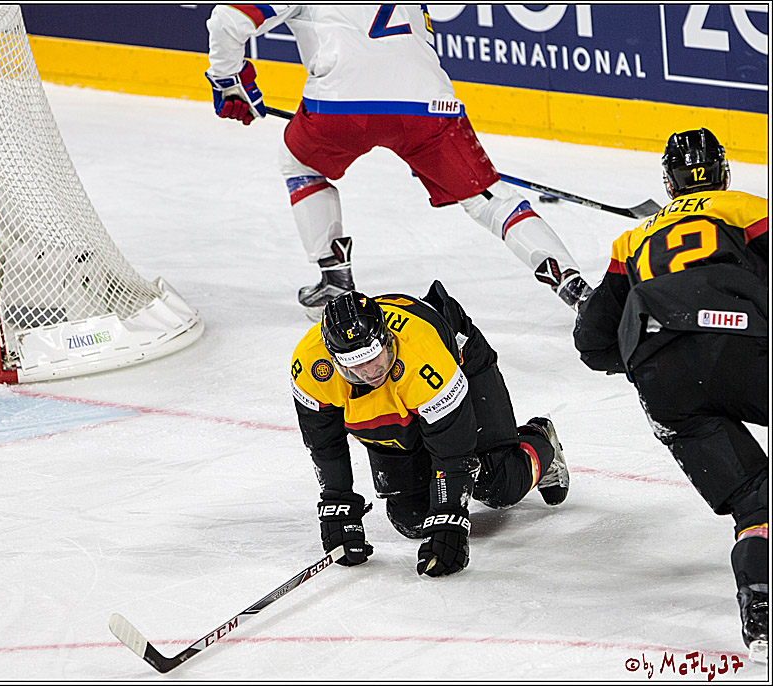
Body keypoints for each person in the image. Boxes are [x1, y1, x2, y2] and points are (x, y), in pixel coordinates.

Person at [206, 5, 592, 319]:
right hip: (428, 105)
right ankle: (573, 285)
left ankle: (335, 278)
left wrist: (228, 80)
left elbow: (229, 20)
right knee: (489, 200)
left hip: (341, 107)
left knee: (300, 165)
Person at [573, 128, 768, 664]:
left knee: (756, 502)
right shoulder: (745, 208)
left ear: (669, 182)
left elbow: (593, 345)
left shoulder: (631, 241)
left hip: (663, 377)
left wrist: (652, 347)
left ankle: (762, 612)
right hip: (743, 343)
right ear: (723, 173)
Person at [291, 283, 570, 577]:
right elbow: (324, 444)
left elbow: (454, 451)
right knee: (412, 519)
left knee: (497, 483)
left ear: (386, 340)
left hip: (460, 362)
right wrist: (338, 503)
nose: (369, 372)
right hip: (397, 398)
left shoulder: (424, 359)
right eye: (354, 367)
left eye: (374, 357)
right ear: (333, 359)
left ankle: (539, 440)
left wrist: (451, 518)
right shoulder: (311, 367)